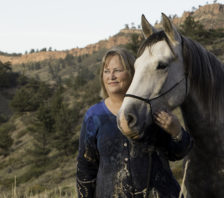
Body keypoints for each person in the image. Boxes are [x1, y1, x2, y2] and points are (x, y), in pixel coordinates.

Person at [76, 47, 192, 198]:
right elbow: (86, 168)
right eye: (106, 71)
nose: (111, 76)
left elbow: (178, 153)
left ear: (132, 73)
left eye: (117, 70)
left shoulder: (152, 109)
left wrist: (176, 132)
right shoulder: (94, 116)